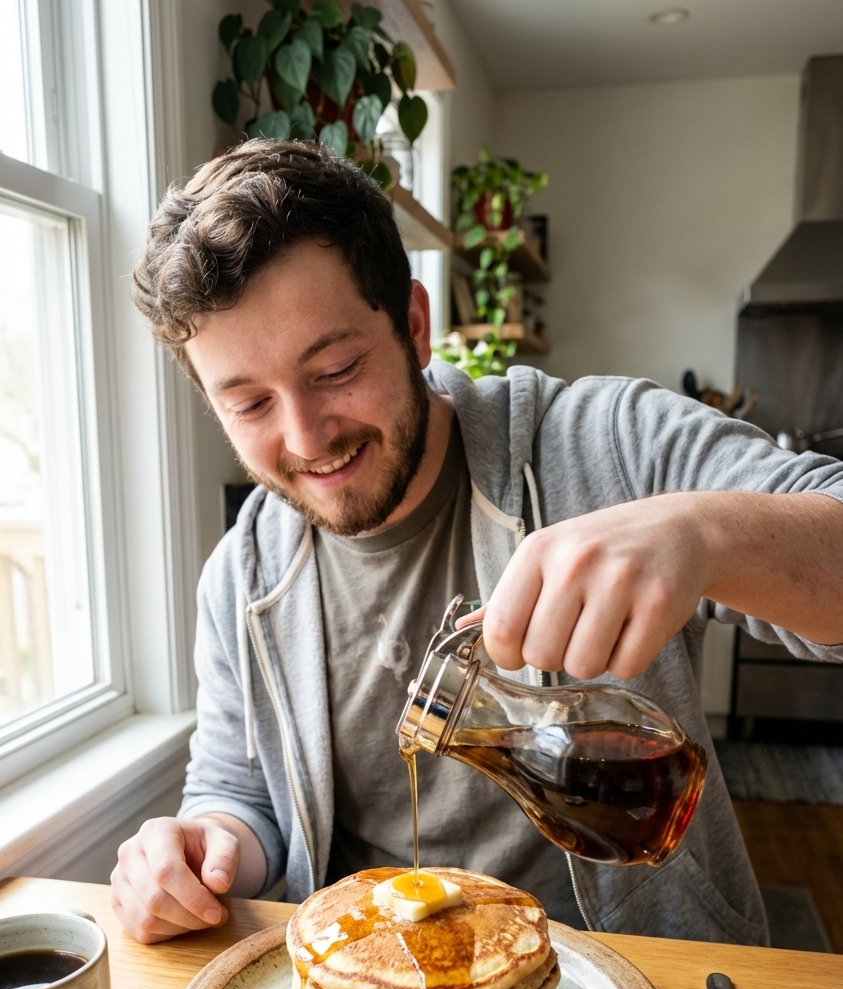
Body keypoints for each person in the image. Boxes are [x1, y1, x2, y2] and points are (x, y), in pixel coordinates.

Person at [112, 139, 843, 946]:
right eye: (248, 404)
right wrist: (203, 847)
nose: (305, 435)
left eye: (336, 369)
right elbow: (237, 789)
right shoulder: (240, 577)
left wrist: (702, 534)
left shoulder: (607, 443)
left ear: (416, 328)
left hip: (643, 985)